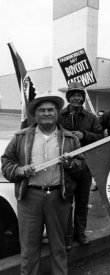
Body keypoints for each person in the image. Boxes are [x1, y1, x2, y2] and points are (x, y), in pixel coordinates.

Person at [1, 92, 86, 275]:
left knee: (59, 247)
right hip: (29, 198)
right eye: (42, 110)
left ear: (57, 113)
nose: (46, 113)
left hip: (58, 198)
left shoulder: (71, 139)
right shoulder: (20, 137)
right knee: (29, 250)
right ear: (35, 114)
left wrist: (70, 164)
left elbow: (82, 167)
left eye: (51, 109)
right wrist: (19, 170)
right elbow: (6, 162)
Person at [58, 81, 103, 250]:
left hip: (85, 165)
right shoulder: (59, 116)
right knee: (66, 202)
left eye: (80, 95)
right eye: (73, 95)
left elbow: (100, 137)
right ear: (68, 97)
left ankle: (80, 233)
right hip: (66, 166)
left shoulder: (91, 117)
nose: (77, 98)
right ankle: (68, 237)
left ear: (83, 98)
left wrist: (84, 134)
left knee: (82, 202)